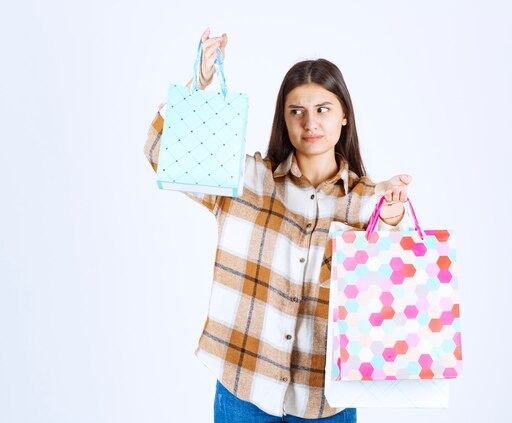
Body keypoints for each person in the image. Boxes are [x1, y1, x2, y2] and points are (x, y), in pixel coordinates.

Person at [144, 27, 414, 423]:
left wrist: (390, 218)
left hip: (325, 403)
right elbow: (159, 149)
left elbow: (386, 297)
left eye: (323, 108)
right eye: (296, 110)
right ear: (283, 120)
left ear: (343, 117)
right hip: (243, 392)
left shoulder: (367, 203)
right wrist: (199, 86)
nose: (310, 122)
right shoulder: (247, 181)